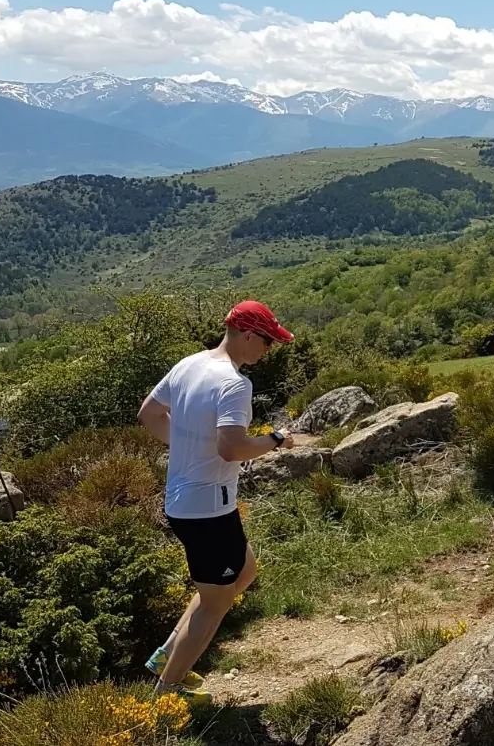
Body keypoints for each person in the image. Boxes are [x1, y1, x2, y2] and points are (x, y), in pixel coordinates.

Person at [138, 300, 295, 703]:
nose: (268, 349)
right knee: (216, 604)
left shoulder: (189, 364)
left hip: (187, 503)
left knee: (244, 572)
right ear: (247, 335)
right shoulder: (235, 383)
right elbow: (232, 449)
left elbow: (150, 415)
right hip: (208, 508)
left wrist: (189, 445)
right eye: (267, 341)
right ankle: (167, 693)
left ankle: (166, 656)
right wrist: (275, 440)